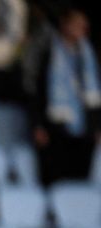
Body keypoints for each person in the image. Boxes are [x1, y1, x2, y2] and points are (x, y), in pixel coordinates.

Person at [30, 7, 101, 185]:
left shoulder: (88, 55)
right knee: (57, 180)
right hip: (55, 127)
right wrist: (38, 124)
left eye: (84, 26)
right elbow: (37, 91)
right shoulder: (49, 53)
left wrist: (97, 126)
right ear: (65, 25)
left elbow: (94, 95)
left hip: (84, 129)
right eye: (77, 24)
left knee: (80, 181)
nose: (81, 29)